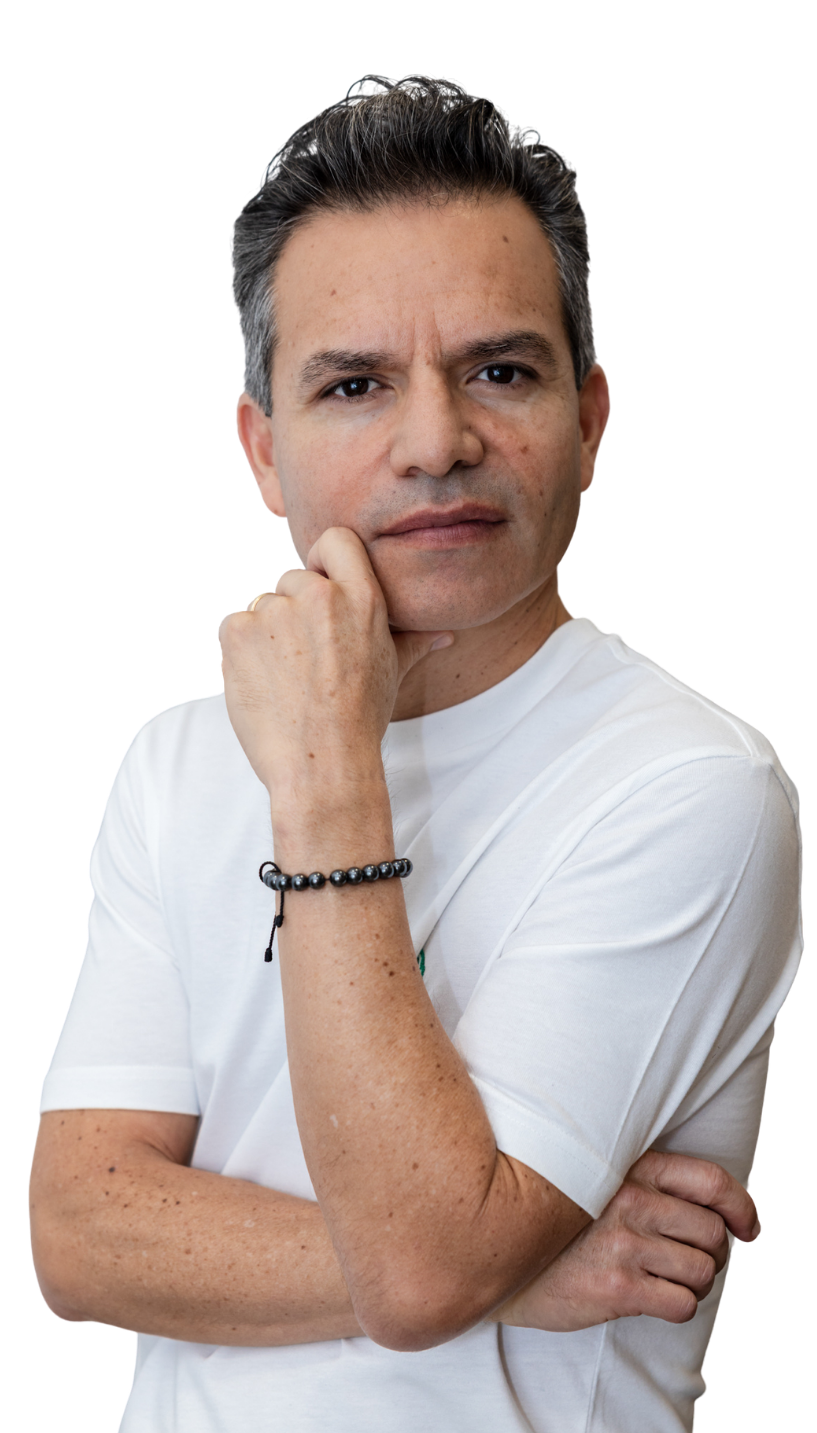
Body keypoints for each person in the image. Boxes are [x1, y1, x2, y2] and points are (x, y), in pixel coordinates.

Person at [29, 75, 802, 1432]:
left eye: (501, 371)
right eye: (355, 385)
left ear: (591, 422)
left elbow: (424, 1266)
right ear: (264, 453)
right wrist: (511, 1272)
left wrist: (328, 784)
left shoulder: (692, 787)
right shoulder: (177, 761)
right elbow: (80, 1238)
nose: (438, 443)